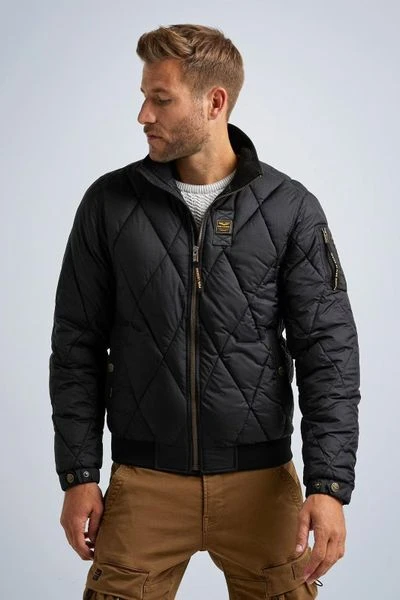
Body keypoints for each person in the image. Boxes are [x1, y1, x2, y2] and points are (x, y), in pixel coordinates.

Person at [49, 24, 361, 600]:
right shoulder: (108, 204)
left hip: (262, 486)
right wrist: (79, 474)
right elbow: (76, 347)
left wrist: (329, 485)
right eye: (144, 96)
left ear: (214, 103)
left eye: (161, 99)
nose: (143, 115)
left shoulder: (290, 208)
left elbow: (329, 353)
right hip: (144, 483)